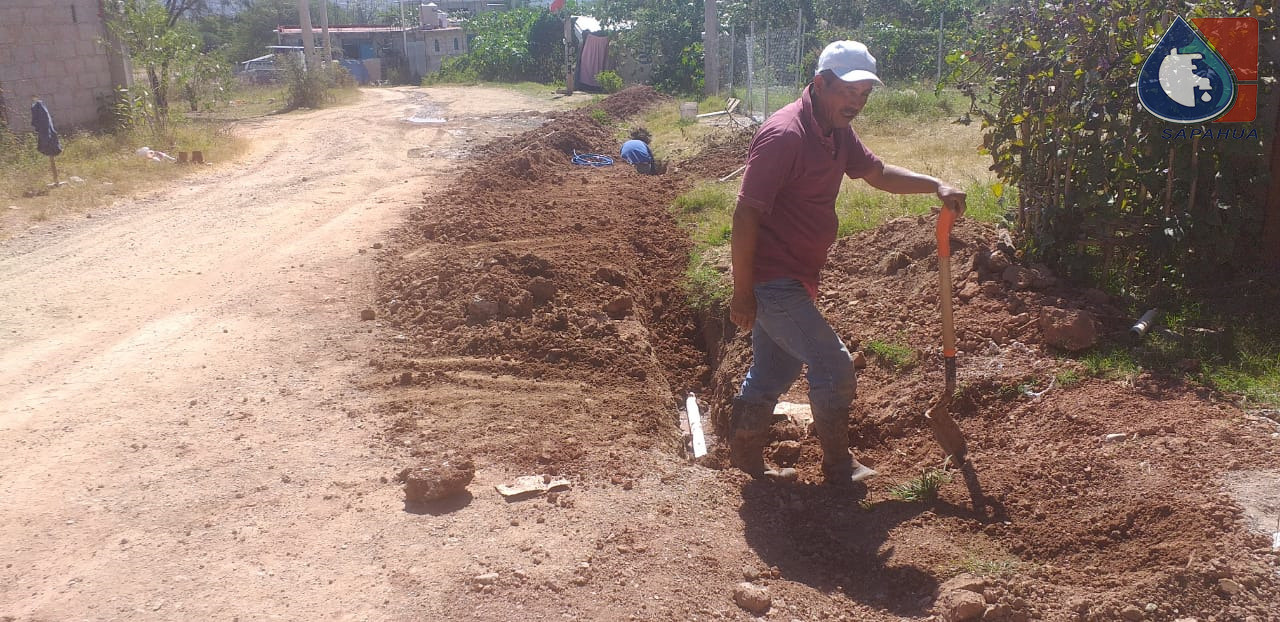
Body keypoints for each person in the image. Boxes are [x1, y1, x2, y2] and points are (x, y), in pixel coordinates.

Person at [728, 40, 967, 486]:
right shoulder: (785, 135)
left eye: (864, 94)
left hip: (796, 274)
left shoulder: (834, 130)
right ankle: (839, 467)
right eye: (848, 92)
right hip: (772, 278)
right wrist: (743, 292)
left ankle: (745, 464)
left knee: (774, 369)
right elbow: (745, 213)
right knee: (833, 366)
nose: (856, 102)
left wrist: (936, 184)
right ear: (821, 84)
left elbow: (876, 173)